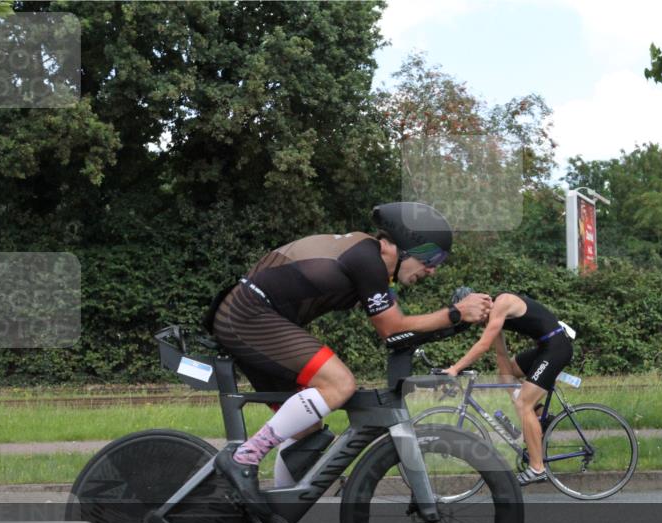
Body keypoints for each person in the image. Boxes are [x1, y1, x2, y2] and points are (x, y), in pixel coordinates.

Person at [211, 202, 492, 504]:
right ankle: (244, 458)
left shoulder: (370, 263)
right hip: (248, 316)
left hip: (249, 316)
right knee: (339, 384)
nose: (433, 269)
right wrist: (455, 313)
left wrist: (454, 322)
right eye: (430, 258)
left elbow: (401, 330)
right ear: (402, 248)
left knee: (305, 431)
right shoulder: (366, 260)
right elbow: (392, 328)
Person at [444, 291, 573, 485]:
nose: (475, 321)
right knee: (509, 375)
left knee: (523, 404)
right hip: (545, 347)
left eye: (472, 315)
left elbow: (484, 344)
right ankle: (540, 418)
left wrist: (455, 368)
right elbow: (502, 357)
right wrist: (512, 389)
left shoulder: (502, 302)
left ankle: (537, 469)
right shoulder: (494, 317)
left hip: (556, 347)